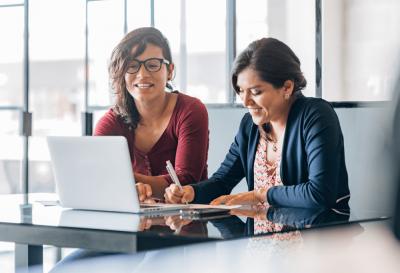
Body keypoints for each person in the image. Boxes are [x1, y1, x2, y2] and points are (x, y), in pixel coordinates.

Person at [165, 37, 350, 209]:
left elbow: (319, 193)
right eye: (241, 90)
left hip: (316, 240)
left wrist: (260, 195)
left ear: (287, 86)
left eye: (256, 92)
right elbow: (222, 182)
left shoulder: (316, 116)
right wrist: (191, 192)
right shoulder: (250, 125)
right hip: (259, 240)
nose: (245, 102)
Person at [94, 27, 209, 202]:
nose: (142, 74)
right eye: (132, 66)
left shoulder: (191, 111)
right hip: (133, 224)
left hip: (187, 222)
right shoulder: (110, 123)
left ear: (169, 71)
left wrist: (126, 183)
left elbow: (184, 180)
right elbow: (98, 177)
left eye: (153, 65)